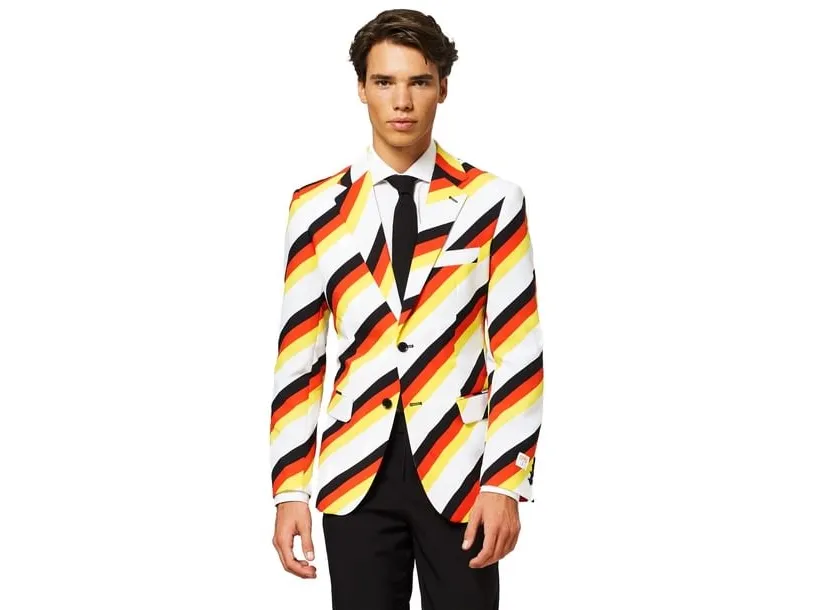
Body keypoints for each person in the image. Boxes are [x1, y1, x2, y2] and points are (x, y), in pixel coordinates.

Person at [269, 8, 544, 609]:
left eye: (419, 81)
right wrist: (289, 489)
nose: (402, 101)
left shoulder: (492, 201)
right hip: (354, 474)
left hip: (461, 471)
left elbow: (519, 351)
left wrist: (506, 482)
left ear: (442, 87)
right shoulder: (315, 208)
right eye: (385, 82)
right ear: (361, 89)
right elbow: (300, 361)